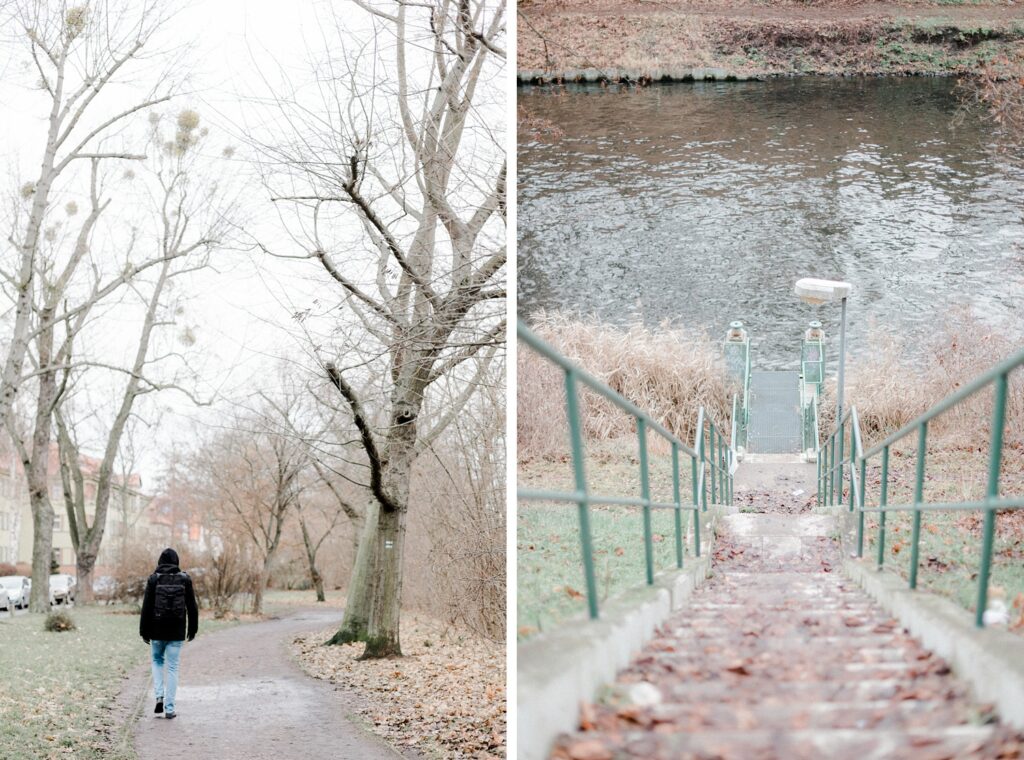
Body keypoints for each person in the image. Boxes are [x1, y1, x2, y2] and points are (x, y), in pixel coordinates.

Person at [139, 548, 199, 719]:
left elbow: (146, 608)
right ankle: (170, 708)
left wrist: (144, 631)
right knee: (172, 668)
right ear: (176, 562)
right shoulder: (185, 579)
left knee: (157, 662)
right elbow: (192, 607)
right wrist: (192, 629)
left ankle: (159, 696)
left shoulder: (153, 579)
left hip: (156, 630)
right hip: (176, 631)